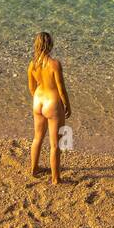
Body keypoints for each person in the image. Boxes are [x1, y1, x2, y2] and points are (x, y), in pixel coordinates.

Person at [27, 31, 71, 184]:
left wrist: (38, 99)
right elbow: (61, 88)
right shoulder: (55, 64)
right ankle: (55, 178)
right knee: (55, 145)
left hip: (38, 101)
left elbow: (31, 87)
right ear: (50, 45)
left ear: (36, 45)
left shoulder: (32, 64)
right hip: (52, 103)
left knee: (37, 138)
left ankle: (34, 169)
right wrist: (67, 105)